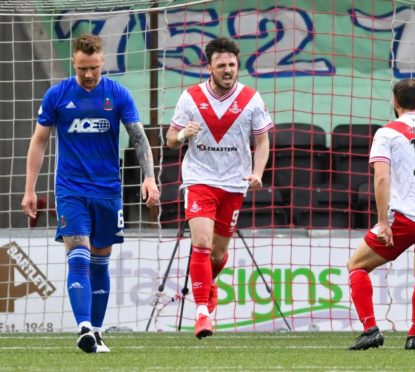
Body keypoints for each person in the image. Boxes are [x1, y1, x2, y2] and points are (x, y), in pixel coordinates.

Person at [21, 34, 160, 353]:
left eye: (94, 67)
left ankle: (96, 333)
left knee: (100, 262)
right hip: (70, 189)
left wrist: (149, 178)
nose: (88, 74)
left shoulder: (118, 94)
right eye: (83, 68)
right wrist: (30, 189)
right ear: (74, 62)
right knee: (78, 254)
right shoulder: (57, 95)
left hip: (108, 191)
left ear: (102, 62)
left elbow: (138, 138)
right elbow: (39, 141)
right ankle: (84, 326)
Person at [166, 36, 272, 339]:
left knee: (217, 253)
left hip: (235, 184)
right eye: (221, 65)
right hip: (200, 180)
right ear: (209, 67)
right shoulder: (191, 97)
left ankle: (208, 284)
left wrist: (257, 172)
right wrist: (183, 133)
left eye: (232, 65)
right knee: (201, 243)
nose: (228, 70)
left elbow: (262, 141)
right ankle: (202, 313)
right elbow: (170, 140)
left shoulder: (252, 98)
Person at [347, 78, 415, 351]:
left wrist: (383, 222)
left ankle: (371, 328)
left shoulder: (388, 133)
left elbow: (381, 178)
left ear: (395, 102)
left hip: (407, 218)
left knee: (357, 266)